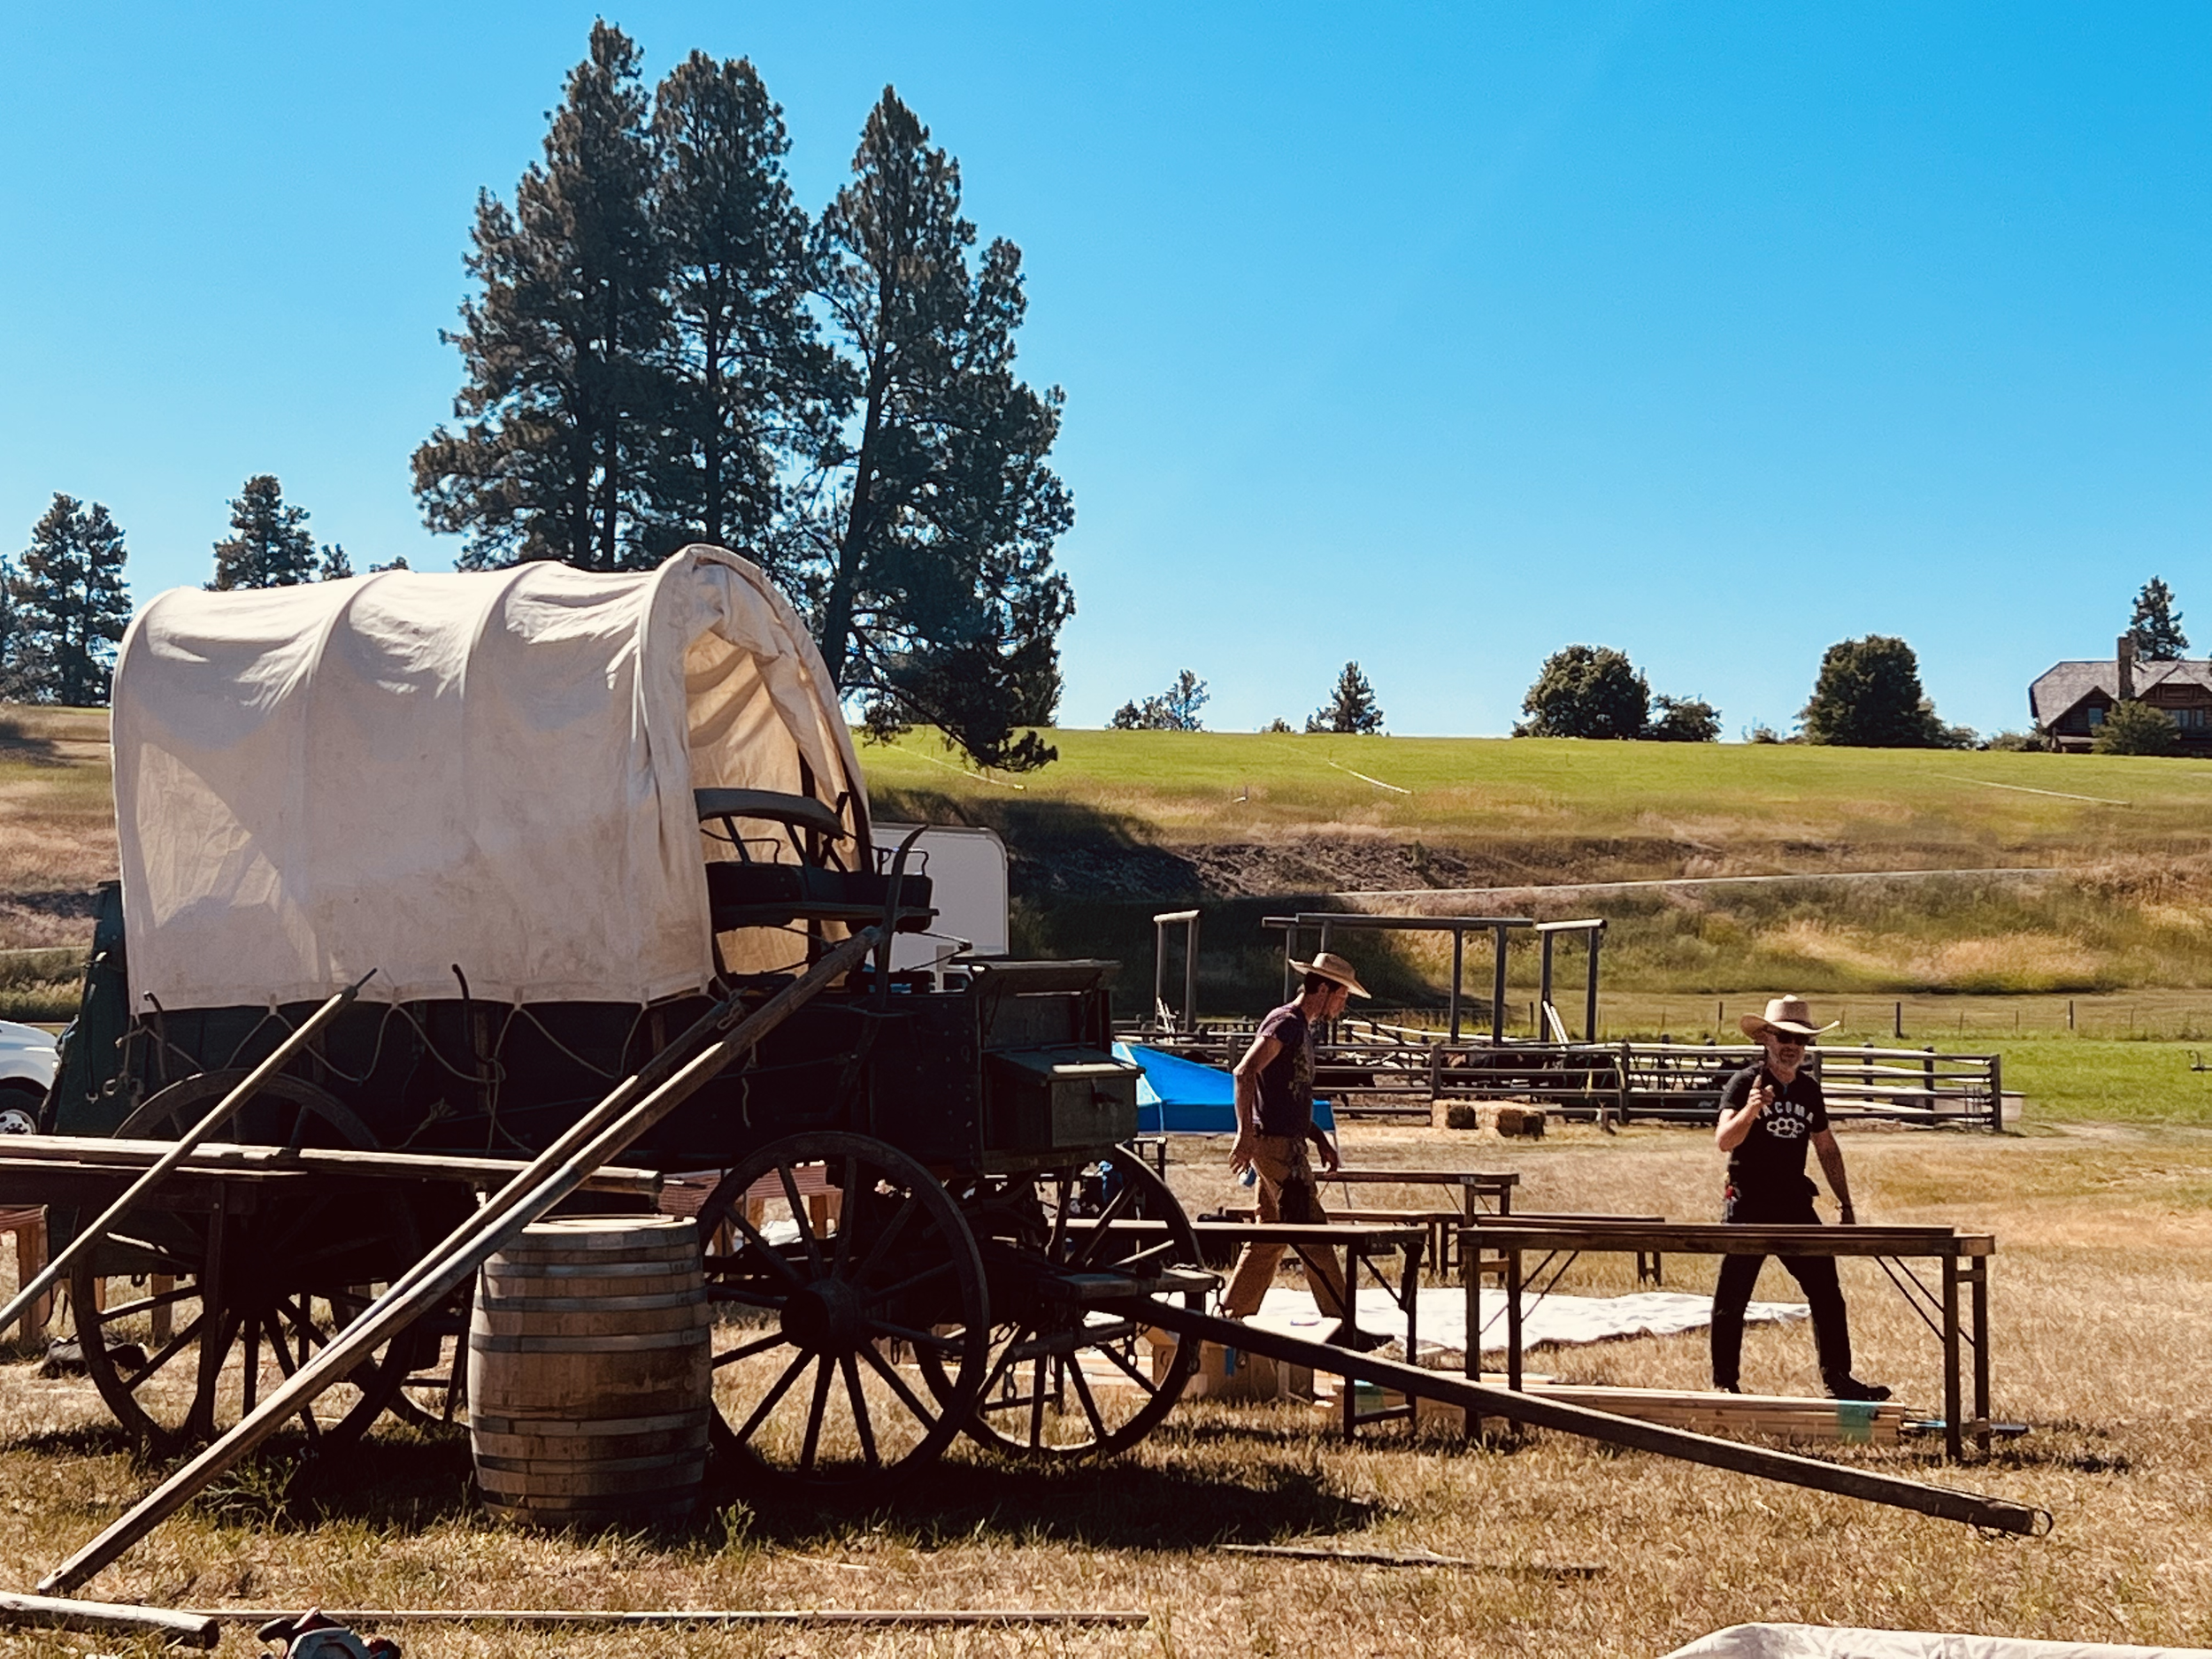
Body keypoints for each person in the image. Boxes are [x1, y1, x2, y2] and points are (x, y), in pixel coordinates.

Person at [1710, 995, 1889, 1402]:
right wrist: (1751, 1111)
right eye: (1784, 1037)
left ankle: (1838, 1379)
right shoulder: (1745, 1085)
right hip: (1749, 1203)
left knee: (1827, 1291)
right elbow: (1724, 1141)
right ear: (1767, 1039)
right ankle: (1725, 1384)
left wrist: (1845, 1204)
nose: (1792, 1045)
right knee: (1733, 1296)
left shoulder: (1809, 1090)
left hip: (1794, 1204)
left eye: (1800, 1039)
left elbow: (1826, 1147)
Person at [1221, 951, 1381, 1348]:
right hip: (1276, 1148)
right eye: (1342, 997)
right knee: (1313, 1234)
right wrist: (1245, 1135)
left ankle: (1228, 1318)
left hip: (1288, 1143)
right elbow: (1245, 1072)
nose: (1342, 1006)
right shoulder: (1285, 1024)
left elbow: (1288, 1096)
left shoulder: (1302, 1029)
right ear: (1323, 989)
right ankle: (1343, 1328)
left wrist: (1318, 1137)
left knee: (1269, 1239)